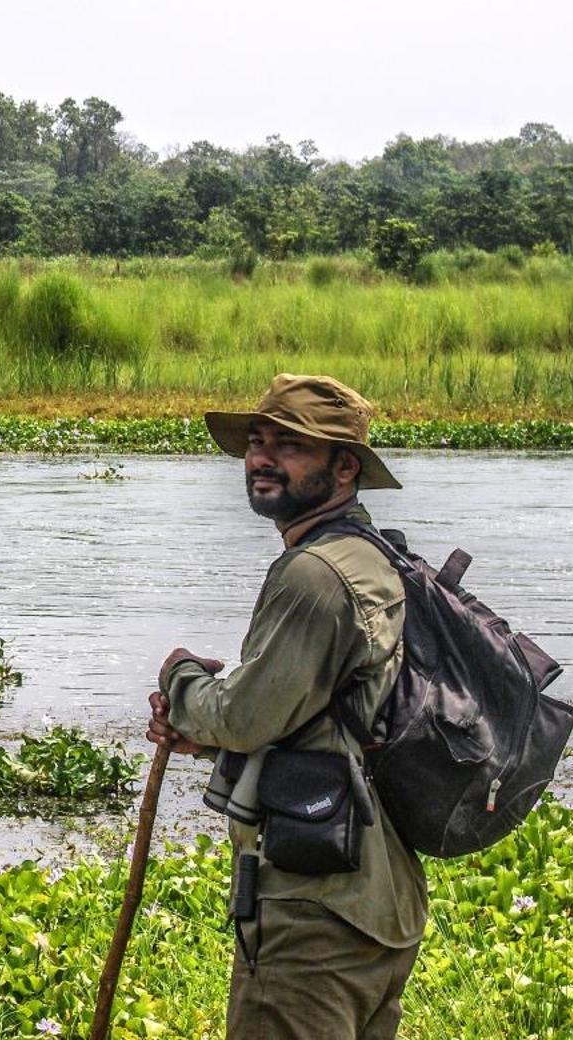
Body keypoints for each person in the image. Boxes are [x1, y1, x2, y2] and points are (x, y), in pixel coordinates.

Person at [146, 373, 427, 1040]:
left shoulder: (316, 576)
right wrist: (208, 738)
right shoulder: (371, 557)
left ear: (344, 467)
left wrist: (182, 685)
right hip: (375, 899)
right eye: (259, 441)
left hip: (315, 913)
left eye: (292, 445)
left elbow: (246, 717)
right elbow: (335, 721)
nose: (264, 458)